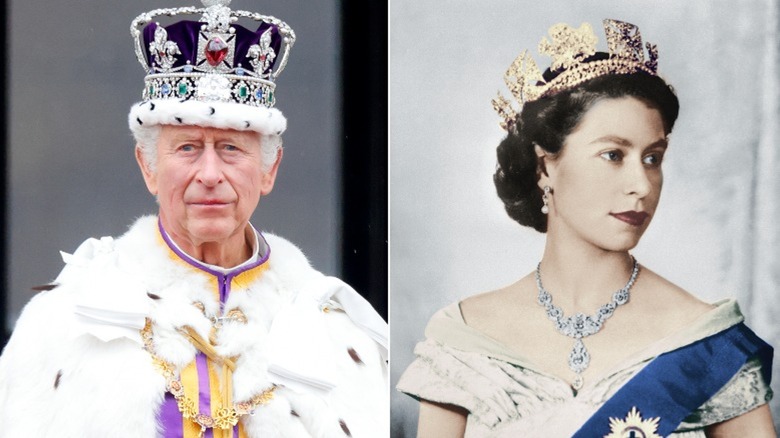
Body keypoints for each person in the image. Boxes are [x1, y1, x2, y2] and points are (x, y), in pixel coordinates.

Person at [0, 1, 388, 437]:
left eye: (231, 149)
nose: (208, 174)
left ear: (268, 170)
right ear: (148, 167)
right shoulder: (64, 324)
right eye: (186, 148)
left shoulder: (338, 335)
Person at [397, 19, 774, 437]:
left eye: (653, 158)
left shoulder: (707, 343)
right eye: (613, 154)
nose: (641, 184)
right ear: (545, 167)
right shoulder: (464, 340)